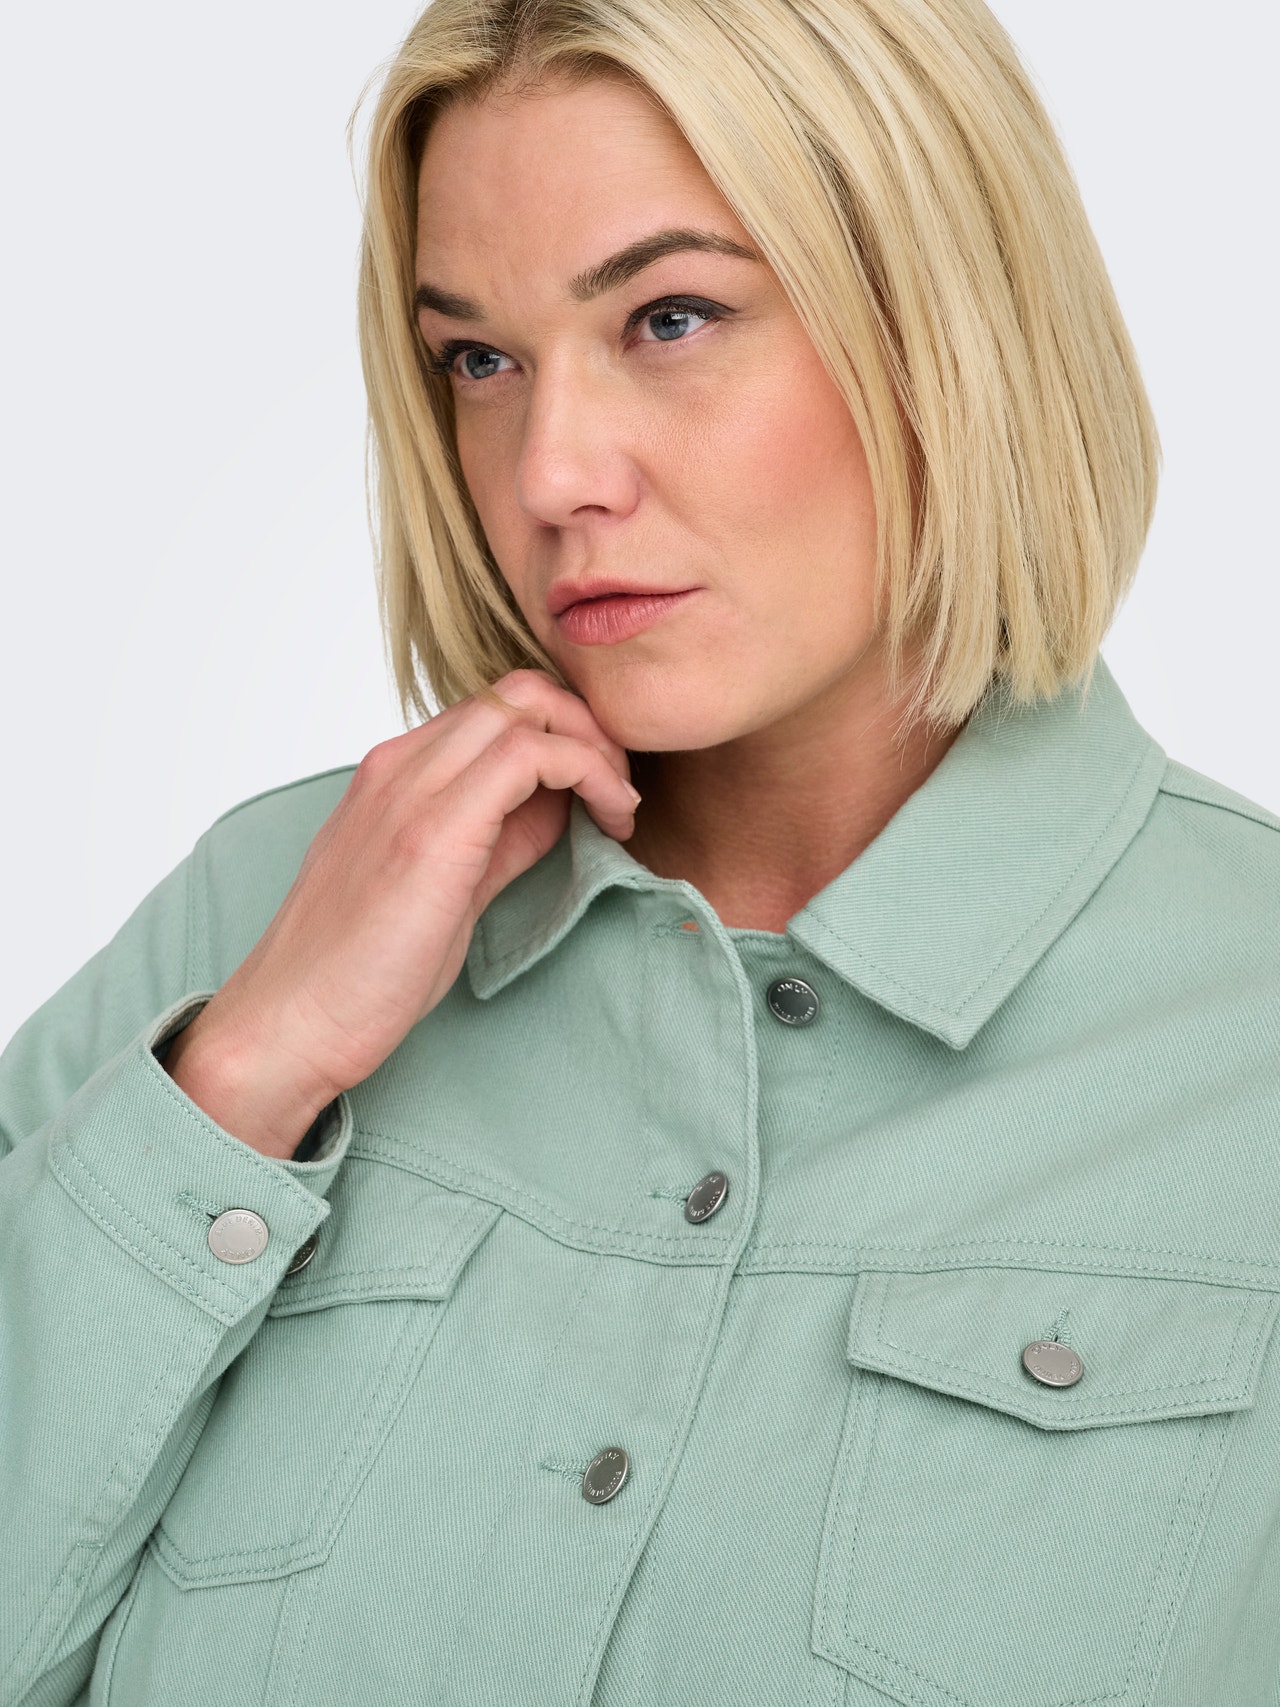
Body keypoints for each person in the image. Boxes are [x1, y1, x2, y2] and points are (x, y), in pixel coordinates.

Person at [3, 0, 1279, 1701]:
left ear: (943, 326)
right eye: (480, 361)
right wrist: (242, 1078)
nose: (550, 473)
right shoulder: (265, 916)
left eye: (670, 318)